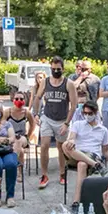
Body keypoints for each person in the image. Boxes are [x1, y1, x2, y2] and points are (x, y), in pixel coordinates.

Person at [33, 56, 78, 189]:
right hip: (47, 117)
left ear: (63, 69)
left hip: (62, 119)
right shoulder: (45, 82)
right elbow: (37, 97)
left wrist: (67, 123)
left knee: (60, 147)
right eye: (53, 69)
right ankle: (44, 175)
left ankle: (62, 173)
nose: (56, 71)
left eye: (58, 69)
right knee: (44, 145)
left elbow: (74, 105)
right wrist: (36, 113)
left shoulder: (69, 84)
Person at [63, 100, 108, 214]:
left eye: (90, 113)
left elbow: (105, 151)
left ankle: (76, 203)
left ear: (95, 113)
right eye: (85, 113)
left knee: (82, 164)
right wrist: (71, 141)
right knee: (65, 144)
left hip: (93, 155)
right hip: (77, 152)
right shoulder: (77, 124)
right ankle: (96, 166)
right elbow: (72, 137)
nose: (87, 116)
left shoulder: (103, 130)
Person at [7, 90, 35, 181]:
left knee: (19, 141)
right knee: (21, 151)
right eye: (17, 98)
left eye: (21, 99)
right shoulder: (8, 112)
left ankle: (13, 165)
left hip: (22, 137)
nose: (19, 100)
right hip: (10, 138)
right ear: (13, 100)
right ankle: (19, 171)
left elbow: (32, 124)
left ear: (24, 100)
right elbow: (2, 125)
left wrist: (28, 135)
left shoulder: (27, 113)